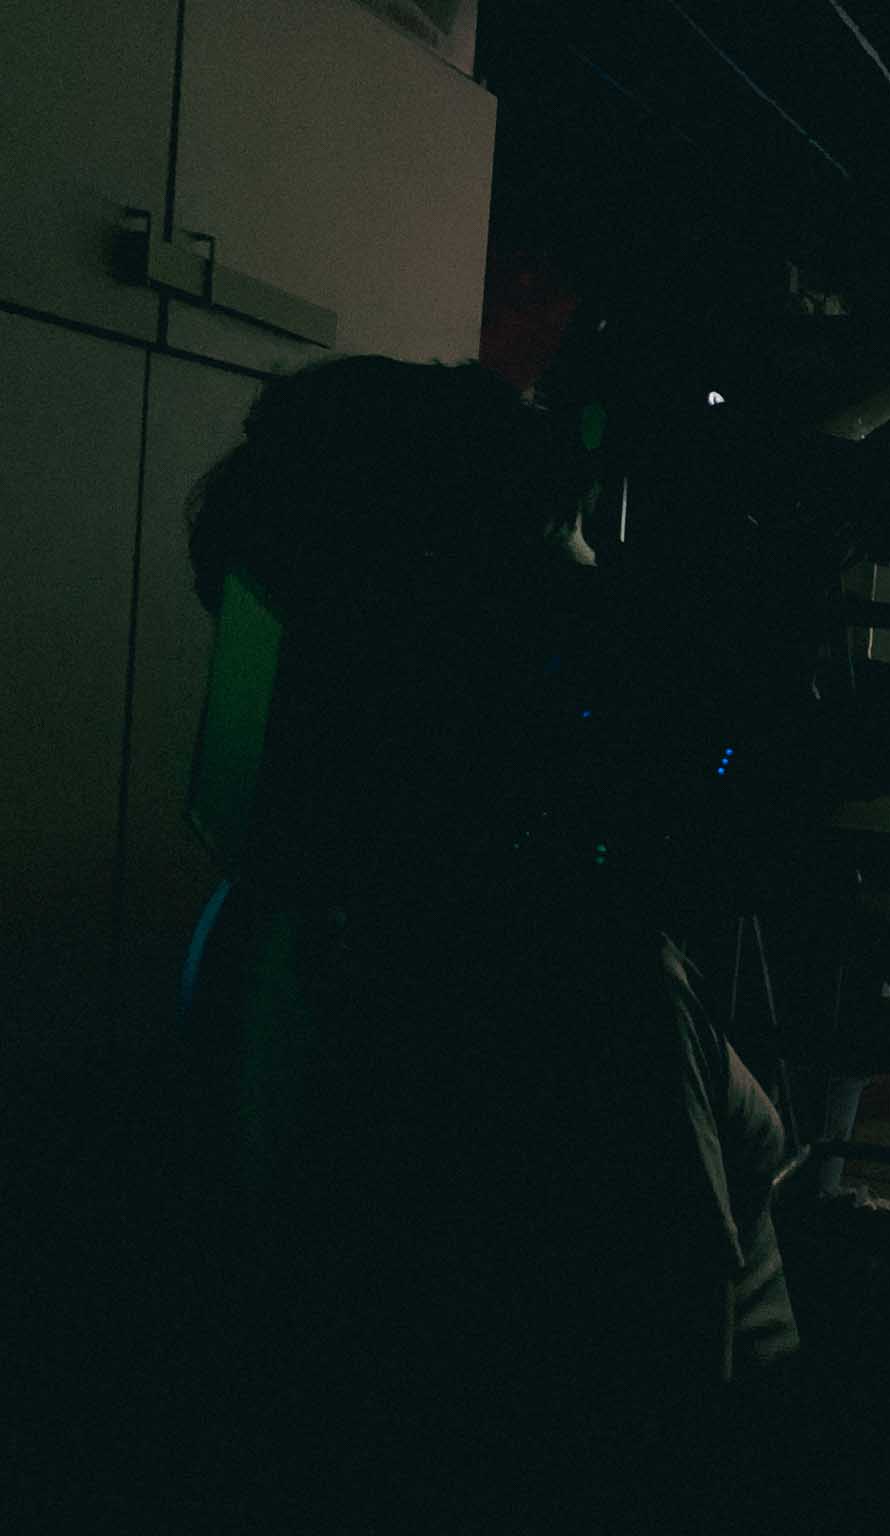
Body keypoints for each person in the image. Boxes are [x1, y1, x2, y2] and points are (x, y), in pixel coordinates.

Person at [151, 356, 796, 1531]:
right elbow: (659, 1416)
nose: (596, 601)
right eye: (562, 555)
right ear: (459, 634)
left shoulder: (270, 904)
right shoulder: (553, 973)